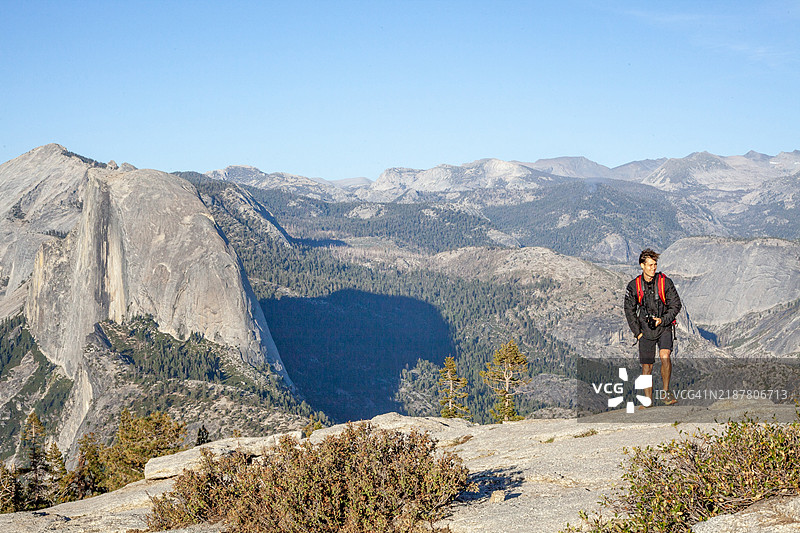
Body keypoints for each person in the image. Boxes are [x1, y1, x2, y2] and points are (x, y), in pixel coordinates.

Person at [624, 248, 682, 406]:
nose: (653, 268)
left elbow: (676, 305)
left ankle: (666, 393)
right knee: (647, 367)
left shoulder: (665, 282)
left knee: (665, 356)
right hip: (645, 330)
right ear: (642, 265)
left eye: (655, 264)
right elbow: (629, 310)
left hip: (663, 326)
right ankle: (648, 401)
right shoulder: (634, 286)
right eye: (649, 265)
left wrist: (663, 320)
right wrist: (638, 333)